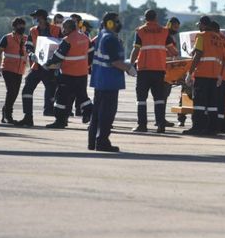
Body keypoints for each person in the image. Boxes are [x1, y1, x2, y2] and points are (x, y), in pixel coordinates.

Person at [88, 12, 137, 152]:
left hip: (100, 80)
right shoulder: (110, 39)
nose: (118, 24)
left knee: (97, 113)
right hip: (109, 81)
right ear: (109, 23)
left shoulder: (102, 35)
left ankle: (93, 142)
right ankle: (102, 141)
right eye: (116, 21)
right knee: (107, 113)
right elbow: (115, 61)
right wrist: (129, 68)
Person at [129, 10, 177, 133]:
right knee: (159, 98)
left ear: (145, 18)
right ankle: (161, 125)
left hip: (144, 70)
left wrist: (130, 65)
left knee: (141, 99)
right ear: (156, 18)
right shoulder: (164, 31)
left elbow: (136, 50)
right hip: (159, 70)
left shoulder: (140, 31)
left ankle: (142, 125)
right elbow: (173, 51)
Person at [15, 9, 61, 127]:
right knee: (27, 90)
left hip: (50, 67)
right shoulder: (33, 30)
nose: (34, 19)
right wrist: (31, 54)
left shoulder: (56, 29)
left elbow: (62, 44)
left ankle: (59, 120)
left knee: (53, 93)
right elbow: (29, 46)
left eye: (36, 17)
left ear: (42, 18)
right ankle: (28, 117)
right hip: (37, 66)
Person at [45, 18, 94, 129]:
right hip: (82, 74)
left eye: (64, 27)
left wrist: (47, 63)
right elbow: (91, 54)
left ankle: (60, 121)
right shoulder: (85, 38)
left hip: (68, 74)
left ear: (68, 28)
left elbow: (58, 57)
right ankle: (90, 115)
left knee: (61, 98)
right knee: (82, 97)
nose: (62, 29)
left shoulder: (67, 40)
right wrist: (86, 66)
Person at [183, 16, 225, 136]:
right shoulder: (218, 38)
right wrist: (220, 75)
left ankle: (197, 128)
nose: (198, 27)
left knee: (199, 104)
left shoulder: (201, 36)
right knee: (212, 104)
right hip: (214, 76)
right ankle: (213, 129)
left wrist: (190, 73)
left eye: (199, 25)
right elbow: (222, 58)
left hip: (202, 74)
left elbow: (198, 55)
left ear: (203, 25)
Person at [0, 17, 28, 124]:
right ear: (14, 26)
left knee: (14, 93)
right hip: (8, 69)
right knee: (11, 91)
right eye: (19, 25)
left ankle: (5, 113)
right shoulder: (7, 38)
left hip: (19, 70)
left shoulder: (26, 39)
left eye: (23, 25)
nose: (22, 27)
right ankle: (8, 115)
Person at [162, 16, 181, 128]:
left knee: (164, 96)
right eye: (174, 27)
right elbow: (173, 52)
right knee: (163, 96)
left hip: (168, 69)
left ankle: (160, 118)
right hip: (165, 70)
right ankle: (161, 119)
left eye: (177, 27)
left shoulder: (170, 37)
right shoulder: (166, 36)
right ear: (169, 25)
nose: (176, 29)